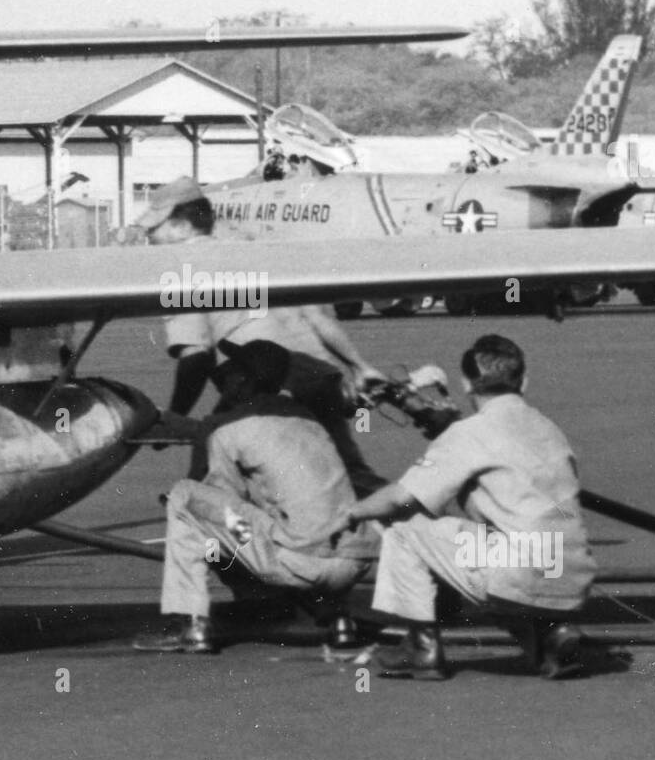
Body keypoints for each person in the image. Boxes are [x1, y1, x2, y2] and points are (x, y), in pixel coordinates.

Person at [330, 335, 596, 680]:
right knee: (498, 551)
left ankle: (421, 647)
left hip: (519, 568)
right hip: (572, 572)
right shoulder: (549, 428)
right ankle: (549, 637)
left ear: (467, 383)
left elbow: (400, 496)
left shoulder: (471, 432)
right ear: (524, 380)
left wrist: (350, 514)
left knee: (405, 525)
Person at [137, 176, 388, 494]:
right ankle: (403, 523)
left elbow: (196, 357)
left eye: (153, 229)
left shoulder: (183, 270)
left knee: (215, 476)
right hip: (321, 376)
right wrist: (360, 366)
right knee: (348, 473)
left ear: (180, 224)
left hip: (264, 384)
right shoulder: (257, 252)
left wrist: (173, 418)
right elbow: (317, 316)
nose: (150, 238)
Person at [133, 339, 380, 654]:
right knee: (290, 508)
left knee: (185, 498)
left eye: (233, 370)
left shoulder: (225, 428)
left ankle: (191, 624)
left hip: (300, 564)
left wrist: (200, 431)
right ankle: (334, 615)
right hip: (353, 560)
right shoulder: (305, 416)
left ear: (241, 379)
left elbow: (215, 496)